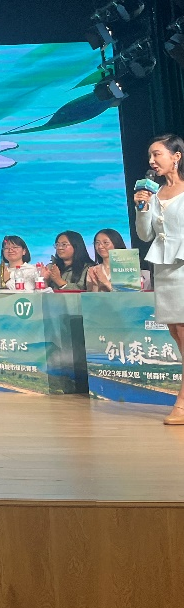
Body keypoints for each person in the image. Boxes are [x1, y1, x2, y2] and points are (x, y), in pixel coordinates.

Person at [134, 133, 184, 425]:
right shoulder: (152, 193)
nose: (152, 161)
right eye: (150, 156)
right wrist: (142, 207)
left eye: (158, 154)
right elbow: (145, 235)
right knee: (176, 333)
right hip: (164, 269)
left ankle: (182, 403)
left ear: (176, 156)